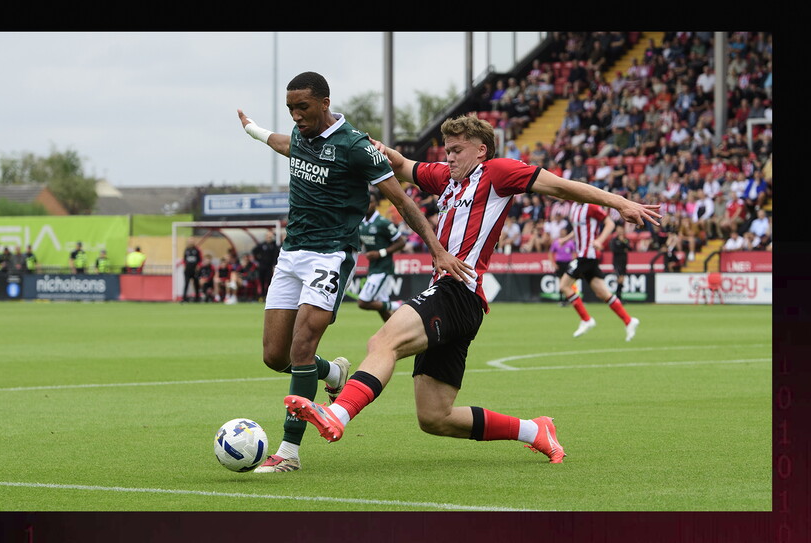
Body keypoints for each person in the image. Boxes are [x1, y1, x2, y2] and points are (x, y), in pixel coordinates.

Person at [283, 114, 660, 465]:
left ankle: (337, 414)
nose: (449, 158)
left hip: (458, 291)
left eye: (456, 150)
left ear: (481, 149)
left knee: (383, 342)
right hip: (458, 301)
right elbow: (401, 166)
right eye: (446, 150)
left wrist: (618, 202)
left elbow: (559, 186)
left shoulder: (497, 172)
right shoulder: (445, 178)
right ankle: (535, 429)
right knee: (435, 417)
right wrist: (375, 147)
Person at [237, 71, 470, 473]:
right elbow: (281, 142)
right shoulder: (300, 137)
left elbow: (403, 200)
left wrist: (437, 250)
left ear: (325, 103)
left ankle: (288, 453)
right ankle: (333, 371)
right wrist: (253, 130)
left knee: (302, 345)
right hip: (292, 255)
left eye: (303, 107)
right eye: (290, 108)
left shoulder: (356, 147)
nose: (295, 115)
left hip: (331, 255)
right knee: (275, 357)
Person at [560, 193, 643, 341]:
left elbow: (610, 223)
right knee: (603, 294)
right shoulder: (574, 207)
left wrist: (600, 240)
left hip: (588, 255)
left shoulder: (591, 207)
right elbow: (578, 229)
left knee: (564, 285)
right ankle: (629, 321)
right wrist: (565, 239)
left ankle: (586, 319)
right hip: (583, 256)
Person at [356, 190, 406, 322]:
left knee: (363, 302)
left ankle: (400, 305)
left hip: (383, 268)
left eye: (371, 202)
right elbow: (361, 242)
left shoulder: (383, 223)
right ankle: (393, 333)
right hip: (373, 267)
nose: (367, 204)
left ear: (377, 204)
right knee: (381, 306)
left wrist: (380, 253)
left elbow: (401, 242)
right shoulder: (361, 224)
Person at [548, 227, 576, 305]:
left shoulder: (570, 242)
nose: (562, 233)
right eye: (561, 231)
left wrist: (573, 262)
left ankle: (568, 299)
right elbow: (550, 253)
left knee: (568, 282)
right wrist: (553, 263)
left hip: (568, 263)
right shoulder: (556, 242)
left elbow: (574, 253)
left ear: (566, 233)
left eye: (563, 231)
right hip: (559, 263)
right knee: (561, 282)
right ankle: (561, 299)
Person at [251, 230, 280, 302]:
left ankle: (268, 295)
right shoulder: (262, 245)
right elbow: (254, 251)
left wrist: (275, 264)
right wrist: (258, 260)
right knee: (262, 281)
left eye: (270, 237)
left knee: (269, 281)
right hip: (262, 267)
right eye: (267, 236)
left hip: (269, 267)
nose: (269, 238)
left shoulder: (274, 246)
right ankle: (262, 296)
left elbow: (276, 256)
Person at [609, 228, 632, 300]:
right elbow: (613, 249)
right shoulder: (614, 240)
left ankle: (618, 296)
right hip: (617, 262)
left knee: (622, 279)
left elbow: (630, 248)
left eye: (622, 231)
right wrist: (623, 249)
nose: (621, 232)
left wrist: (623, 242)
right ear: (617, 232)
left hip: (624, 262)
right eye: (619, 231)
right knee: (620, 279)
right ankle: (618, 297)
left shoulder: (625, 240)